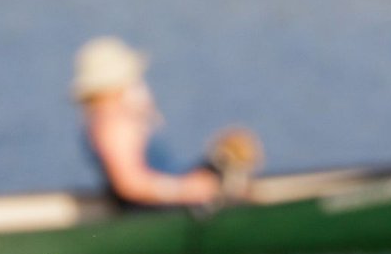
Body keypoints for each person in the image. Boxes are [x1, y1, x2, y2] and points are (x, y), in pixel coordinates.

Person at [73, 36, 259, 210]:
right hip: (159, 209)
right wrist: (186, 190)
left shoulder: (118, 117)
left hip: (176, 191)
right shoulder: (111, 124)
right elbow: (130, 184)